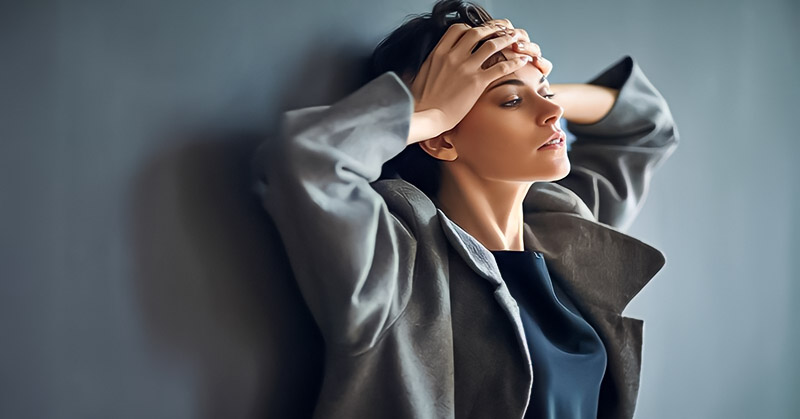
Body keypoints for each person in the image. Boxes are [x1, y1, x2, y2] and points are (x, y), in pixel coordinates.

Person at [250, 0, 679, 417]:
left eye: (546, 95)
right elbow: (306, 159)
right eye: (512, 103)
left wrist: (518, 71)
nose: (554, 113)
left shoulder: (567, 234)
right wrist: (431, 111)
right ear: (440, 138)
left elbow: (644, 128)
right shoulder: (399, 266)